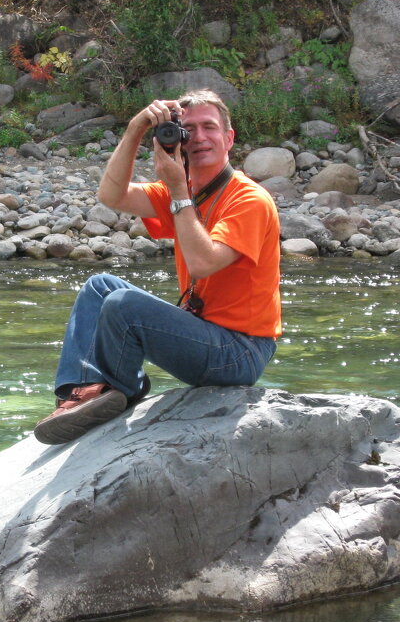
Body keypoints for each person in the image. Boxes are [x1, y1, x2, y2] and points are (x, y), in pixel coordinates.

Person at [33, 89, 282, 444]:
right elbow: (112, 196)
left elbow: (202, 264)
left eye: (208, 128)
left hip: (239, 352)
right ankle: (83, 391)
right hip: (204, 332)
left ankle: (122, 389)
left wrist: (179, 188)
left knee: (125, 307)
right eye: (188, 129)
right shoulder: (188, 191)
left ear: (228, 138)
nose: (198, 138)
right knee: (99, 287)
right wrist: (135, 129)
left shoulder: (249, 199)